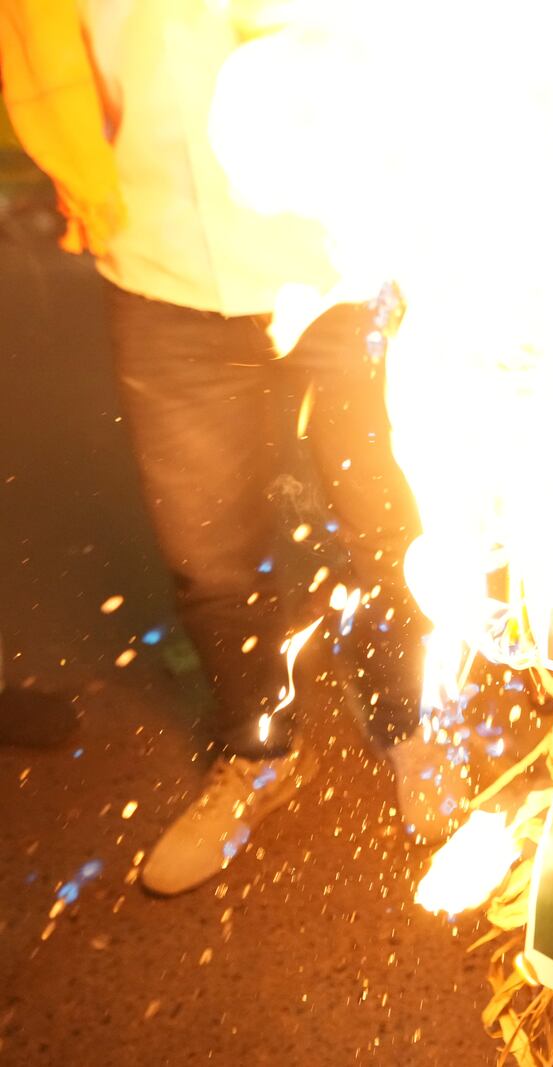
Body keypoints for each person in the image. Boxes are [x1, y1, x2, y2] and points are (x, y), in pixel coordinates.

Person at [2, 0, 463, 896]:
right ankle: (258, 749)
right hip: (158, 261)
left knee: (387, 520)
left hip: (344, 258)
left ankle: (407, 718)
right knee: (207, 552)